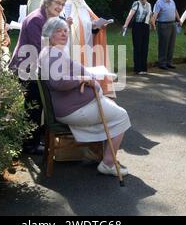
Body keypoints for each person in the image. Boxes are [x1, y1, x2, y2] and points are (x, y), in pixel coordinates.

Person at [39, 17, 130, 176]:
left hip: (72, 106)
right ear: (49, 34)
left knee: (112, 108)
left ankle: (95, 152)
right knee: (122, 116)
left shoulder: (52, 51)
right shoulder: (53, 54)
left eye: (65, 31)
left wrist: (87, 75)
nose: (64, 34)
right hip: (73, 110)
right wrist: (83, 79)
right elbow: (58, 82)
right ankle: (108, 163)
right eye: (58, 31)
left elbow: (69, 73)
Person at [9, 0, 69, 154]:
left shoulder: (49, 19)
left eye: (62, 4)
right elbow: (40, 47)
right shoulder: (37, 19)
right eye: (57, 3)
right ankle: (29, 145)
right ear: (47, 2)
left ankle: (34, 141)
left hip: (36, 68)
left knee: (37, 106)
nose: (60, 7)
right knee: (33, 107)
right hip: (26, 68)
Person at [63, 0, 114, 97]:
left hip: (86, 43)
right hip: (71, 46)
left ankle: (87, 94)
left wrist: (97, 25)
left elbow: (87, 20)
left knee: (87, 70)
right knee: (76, 72)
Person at [122, 0, 152, 75]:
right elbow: (130, 15)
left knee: (145, 47)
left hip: (145, 27)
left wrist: (152, 24)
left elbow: (150, 16)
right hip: (137, 27)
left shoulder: (149, 5)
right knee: (138, 47)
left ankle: (143, 68)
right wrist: (125, 25)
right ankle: (137, 69)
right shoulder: (136, 3)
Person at [151, 0, 181, 70]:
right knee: (163, 44)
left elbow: (175, 11)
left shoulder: (172, 1)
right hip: (163, 25)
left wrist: (179, 20)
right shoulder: (159, 2)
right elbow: (155, 14)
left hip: (172, 24)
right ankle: (162, 63)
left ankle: (169, 62)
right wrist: (153, 23)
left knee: (171, 44)